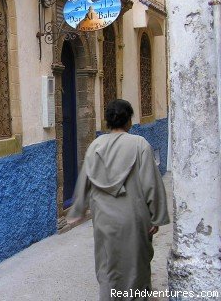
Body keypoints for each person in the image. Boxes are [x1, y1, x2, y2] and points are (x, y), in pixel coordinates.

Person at [67, 99, 170, 301]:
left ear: (108, 121)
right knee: (136, 265)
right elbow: (151, 183)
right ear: (128, 121)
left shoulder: (95, 146)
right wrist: (157, 216)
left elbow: (84, 181)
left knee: (107, 265)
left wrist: (78, 209)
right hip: (133, 217)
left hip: (104, 220)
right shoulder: (139, 145)